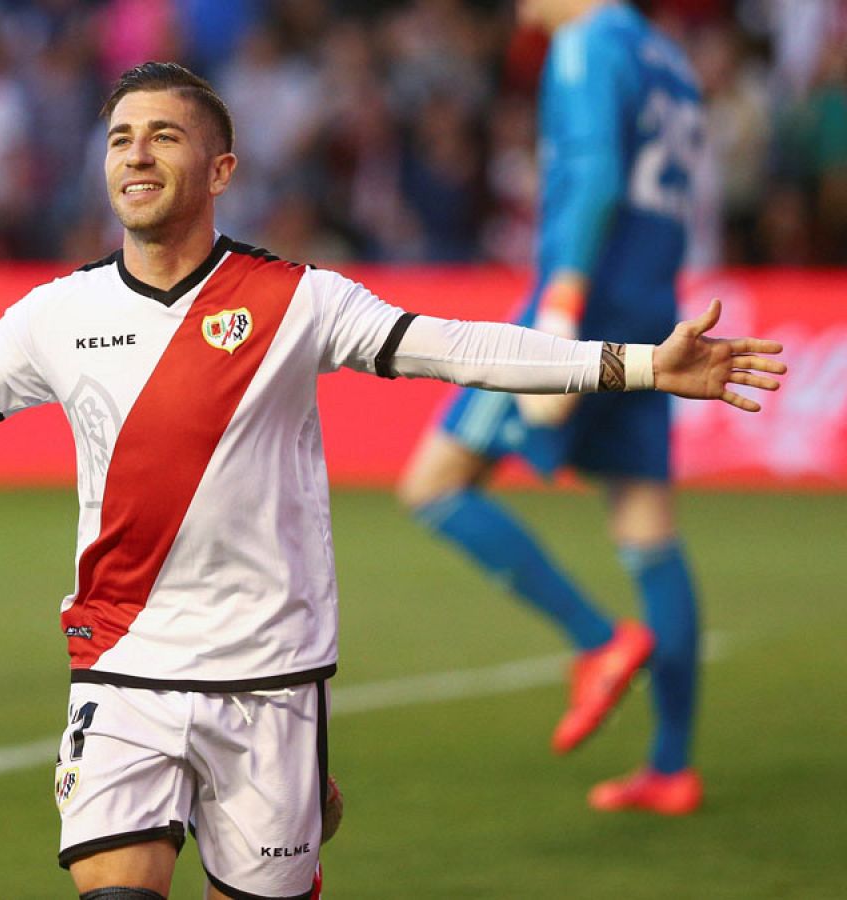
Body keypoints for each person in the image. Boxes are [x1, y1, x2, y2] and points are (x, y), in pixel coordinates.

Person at [0, 62, 781, 899]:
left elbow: (457, 347)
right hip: (123, 670)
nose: (136, 155)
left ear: (220, 169)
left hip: (271, 679)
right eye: (119, 138)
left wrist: (642, 366)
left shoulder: (299, 300)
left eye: (164, 136)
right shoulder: (56, 316)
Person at [397, 0, 711, 814]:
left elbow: (596, 172)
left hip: (582, 308)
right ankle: (670, 767)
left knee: (433, 484)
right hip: (651, 313)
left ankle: (596, 641)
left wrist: (561, 307)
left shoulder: (585, 44)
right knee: (648, 528)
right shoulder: (670, 62)